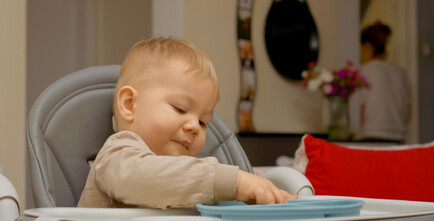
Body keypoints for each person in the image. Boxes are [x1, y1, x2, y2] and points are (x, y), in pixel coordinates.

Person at [77, 37, 296, 209]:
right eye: (180, 109)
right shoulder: (117, 154)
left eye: (203, 122)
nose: (194, 127)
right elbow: (152, 178)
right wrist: (234, 182)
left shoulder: (186, 177)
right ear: (129, 104)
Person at [357, 21, 411, 143]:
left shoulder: (364, 71)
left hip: (372, 135)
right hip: (398, 137)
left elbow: (360, 110)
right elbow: (408, 113)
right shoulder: (402, 73)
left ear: (368, 46)